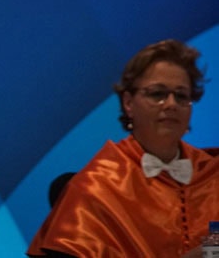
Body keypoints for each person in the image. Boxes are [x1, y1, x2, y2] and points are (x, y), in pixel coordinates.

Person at [27, 39, 219, 257]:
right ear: (128, 103)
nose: (171, 104)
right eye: (158, 94)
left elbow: (214, 246)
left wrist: (211, 249)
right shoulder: (95, 187)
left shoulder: (212, 172)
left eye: (181, 96)